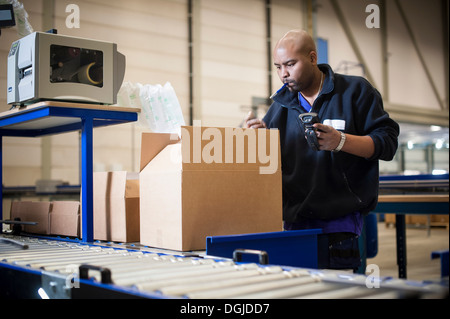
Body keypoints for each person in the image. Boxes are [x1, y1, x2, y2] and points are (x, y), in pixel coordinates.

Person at [245, 29, 400, 271]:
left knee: (335, 290)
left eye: (290, 64)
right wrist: (258, 139)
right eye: (277, 67)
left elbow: (388, 143)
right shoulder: (280, 107)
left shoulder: (355, 92)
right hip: (295, 222)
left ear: (313, 58)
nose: (283, 74)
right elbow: (269, 164)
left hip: (339, 221)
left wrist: (341, 141)